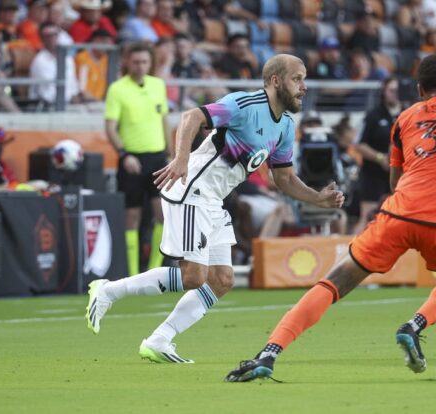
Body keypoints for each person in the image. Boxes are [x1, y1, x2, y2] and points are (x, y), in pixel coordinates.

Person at [224, 54, 436, 382]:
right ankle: (414, 325)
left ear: (419, 89)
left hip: (399, 214)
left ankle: (269, 353)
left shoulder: (404, 119)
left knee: (333, 282)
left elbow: (394, 183)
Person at [85, 54, 345, 363]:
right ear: (276, 81)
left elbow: (284, 177)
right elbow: (190, 117)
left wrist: (317, 198)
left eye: (304, 79)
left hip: (214, 201)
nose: (304, 86)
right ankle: (108, 291)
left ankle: (160, 339)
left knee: (221, 280)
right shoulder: (244, 105)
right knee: (194, 276)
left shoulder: (286, 126)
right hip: (191, 190)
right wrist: (181, 158)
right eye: (297, 79)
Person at [104, 42, 170, 276]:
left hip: (157, 157)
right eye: (136, 62)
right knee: (131, 216)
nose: (140, 66)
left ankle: (154, 270)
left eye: (144, 62)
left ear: (150, 63)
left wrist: (170, 153)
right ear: (127, 62)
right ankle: (132, 273)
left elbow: (164, 120)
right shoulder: (117, 89)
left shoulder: (158, 85)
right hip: (132, 158)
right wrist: (124, 154)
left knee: (163, 214)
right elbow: (110, 128)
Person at [353, 77, 401, 233]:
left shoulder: (407, 114)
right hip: (373, 174)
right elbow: (359, 143)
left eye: (397, 91)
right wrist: (380, 158)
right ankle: (354, 247)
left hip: (400, 175)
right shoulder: (373, 115)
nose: (394, 94)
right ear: (384, 92)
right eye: (391, 90)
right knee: (368, 218)